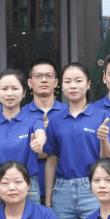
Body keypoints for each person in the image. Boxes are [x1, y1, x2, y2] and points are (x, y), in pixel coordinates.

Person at [44, 63, 110, 219]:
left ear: (88, 84)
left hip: (92, 189)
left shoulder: (101, 116)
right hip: (63, 190)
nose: (72, 86)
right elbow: (51, 161)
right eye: (67, 81)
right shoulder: (56, 120)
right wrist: (48, 200)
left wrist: (104, 140)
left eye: (78, 80)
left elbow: (108, 160)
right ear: (61, 86)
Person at [0, 69, 45, 212]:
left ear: (24, 92)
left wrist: (39, 141)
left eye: (14, 88)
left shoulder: (33, 120)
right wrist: (2, 181)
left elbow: (40, 133)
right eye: (4, 89)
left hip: (28, 186)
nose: (9, 93)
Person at [22, 59, 66, 207]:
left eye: (49, 76)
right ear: (29, 82)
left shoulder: (68, 112)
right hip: (27, 188)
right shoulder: (20, 114)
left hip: (64, 188)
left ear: (56, 82)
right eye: (38, 76)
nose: (44, 80)